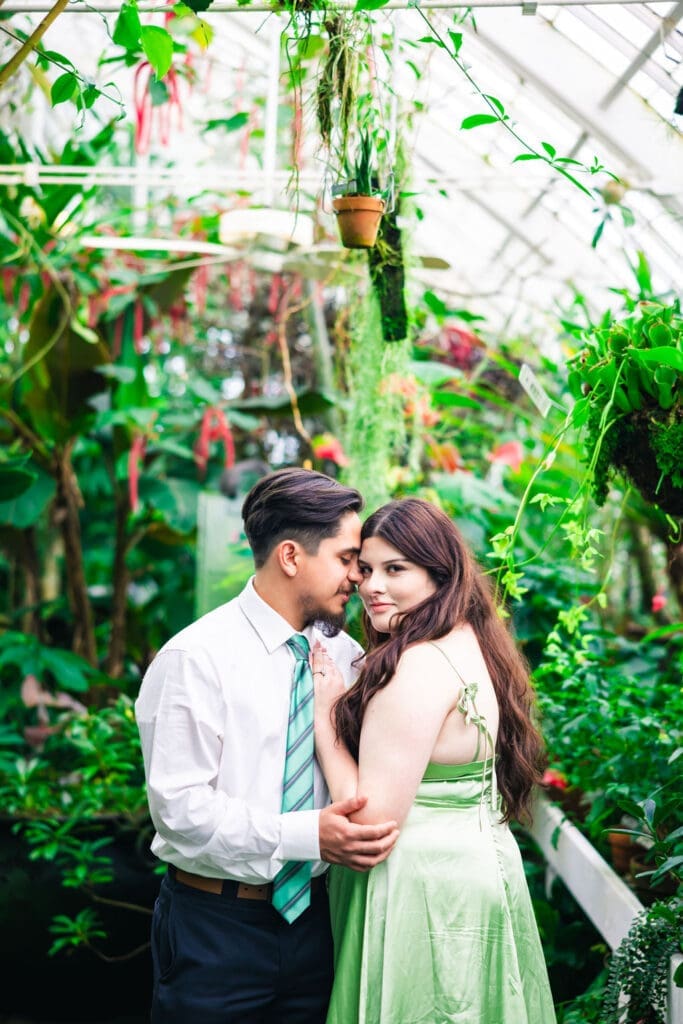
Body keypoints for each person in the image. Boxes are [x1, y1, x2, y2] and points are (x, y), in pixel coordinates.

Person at [135, 467, 400, 1024]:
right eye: (347, 558)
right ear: (290, 556)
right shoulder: (196, 658)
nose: (359, 576)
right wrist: (308, 835)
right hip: (214, 928)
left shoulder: (349, 657)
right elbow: (180, 810)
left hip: (317, 926)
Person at [312, 497, 557, 1024]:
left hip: (424, 895)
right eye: (367, 568)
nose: (372, 585)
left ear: (439, 574)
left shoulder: (418, 664)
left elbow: (370, 824)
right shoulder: (470, 640)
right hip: (471, 873)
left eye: (396, 569)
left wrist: (328, 718)